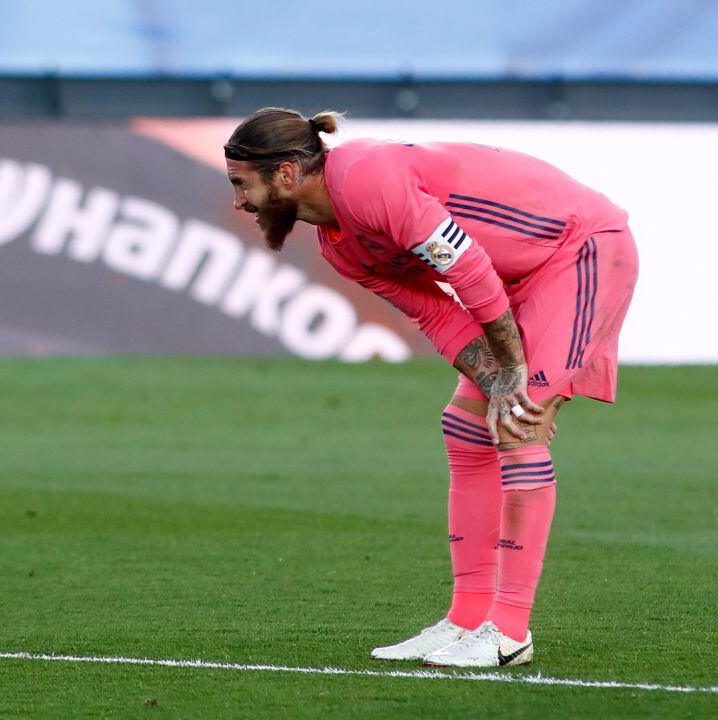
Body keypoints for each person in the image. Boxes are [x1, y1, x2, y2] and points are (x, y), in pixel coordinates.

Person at [224, 107, 638, 667]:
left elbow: (465, 267)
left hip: (581, 250)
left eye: (241, 184)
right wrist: (494, 378)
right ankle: (467, 618)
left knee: (518, 425)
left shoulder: (369, 180)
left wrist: (512, 373)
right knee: (466, 425)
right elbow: (437, 315)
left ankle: (510, 632)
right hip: (521, 277)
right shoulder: (339, 246)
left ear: (288, 176)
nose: (237, 202)